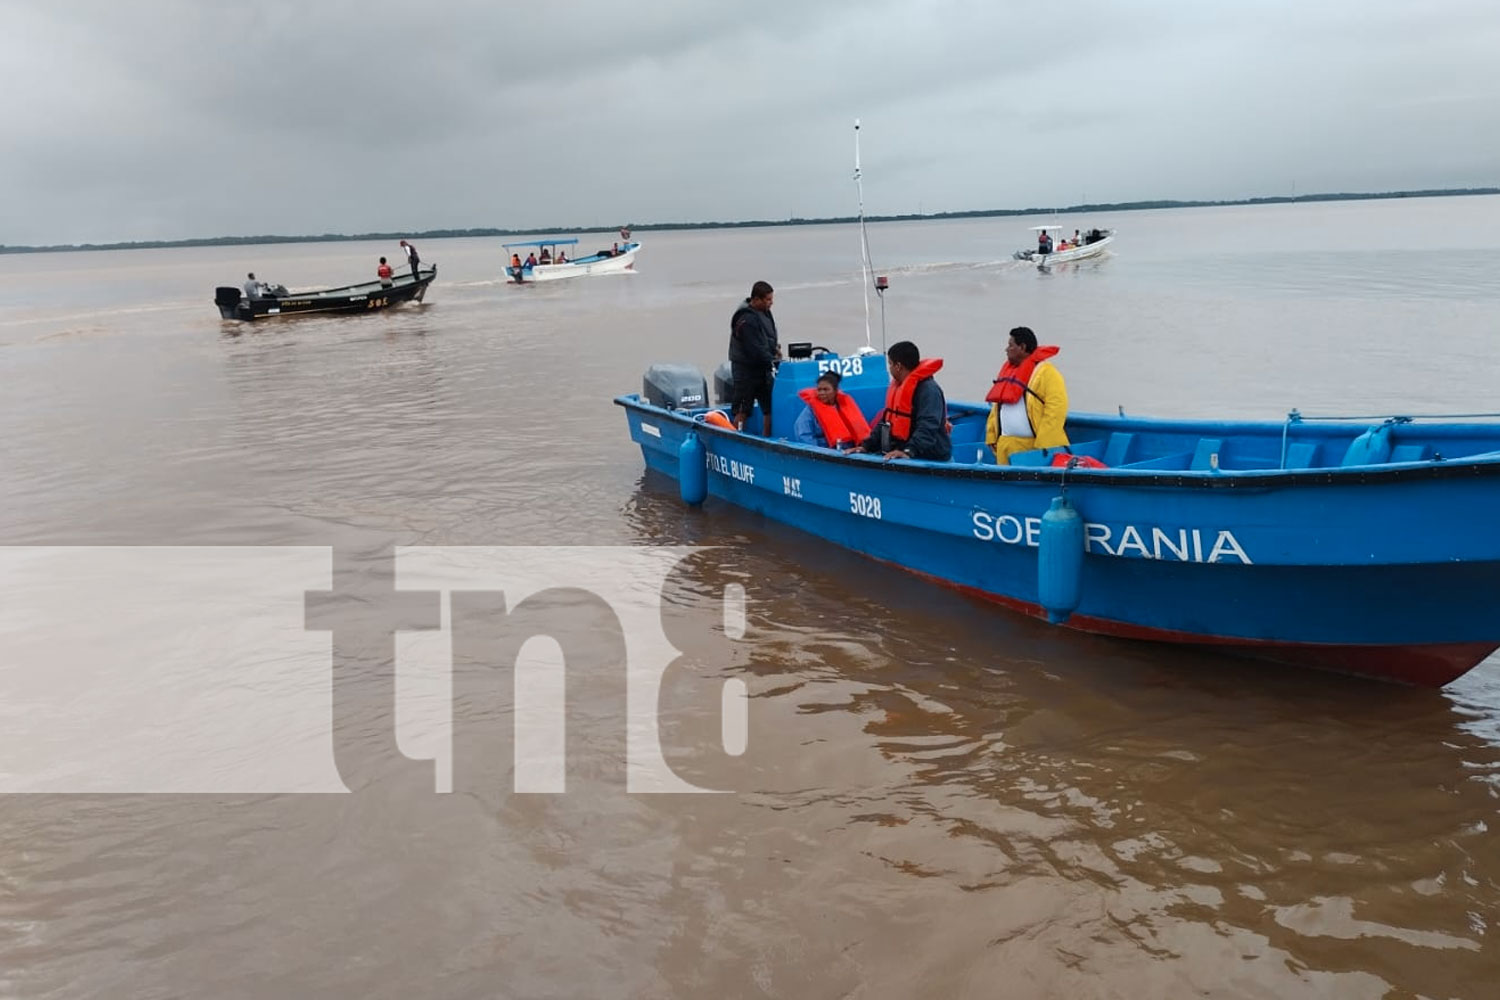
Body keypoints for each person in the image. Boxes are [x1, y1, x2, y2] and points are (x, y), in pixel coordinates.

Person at [851, 340, 951, 461]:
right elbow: (885, 421)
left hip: (928, 456)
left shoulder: (929, 391)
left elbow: (928, 427)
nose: (890, 368)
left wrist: (908, 451)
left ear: (898, 366)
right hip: (901, 449)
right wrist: (866, 446)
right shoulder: (899, 386)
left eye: (890, 364)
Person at [985, 326, 1069, 465]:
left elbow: (1056, 409)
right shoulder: (1008, 373)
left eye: (1010, 345)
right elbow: (997, 408)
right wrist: (991, 435)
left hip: (1031, 449)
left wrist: (1043, 444)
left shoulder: (1047, 373)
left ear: (1022, 347)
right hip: (1005, 445)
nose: (1006, 349)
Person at [728, 280, 780, 436]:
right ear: (756, 299)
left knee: (769, 406)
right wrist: (773, 361)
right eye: (768, 300)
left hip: (763, 370)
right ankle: (736, 438)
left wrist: (775, 350)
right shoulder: (746, 319)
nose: (771, 303)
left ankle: (767, 439)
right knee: (743, 408)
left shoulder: (765, 313)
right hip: (746, 370)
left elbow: (768, 339)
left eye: (771, 299)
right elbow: (755, 349)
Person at [793, 371, 871, 449]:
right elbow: (803, 435)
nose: (821, 393)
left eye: (826, 389)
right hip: (824, 450)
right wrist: (818, 452)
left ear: (835, 391)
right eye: (819, 390)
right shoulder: (810, 411)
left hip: (850, 450)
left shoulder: (845, 406)